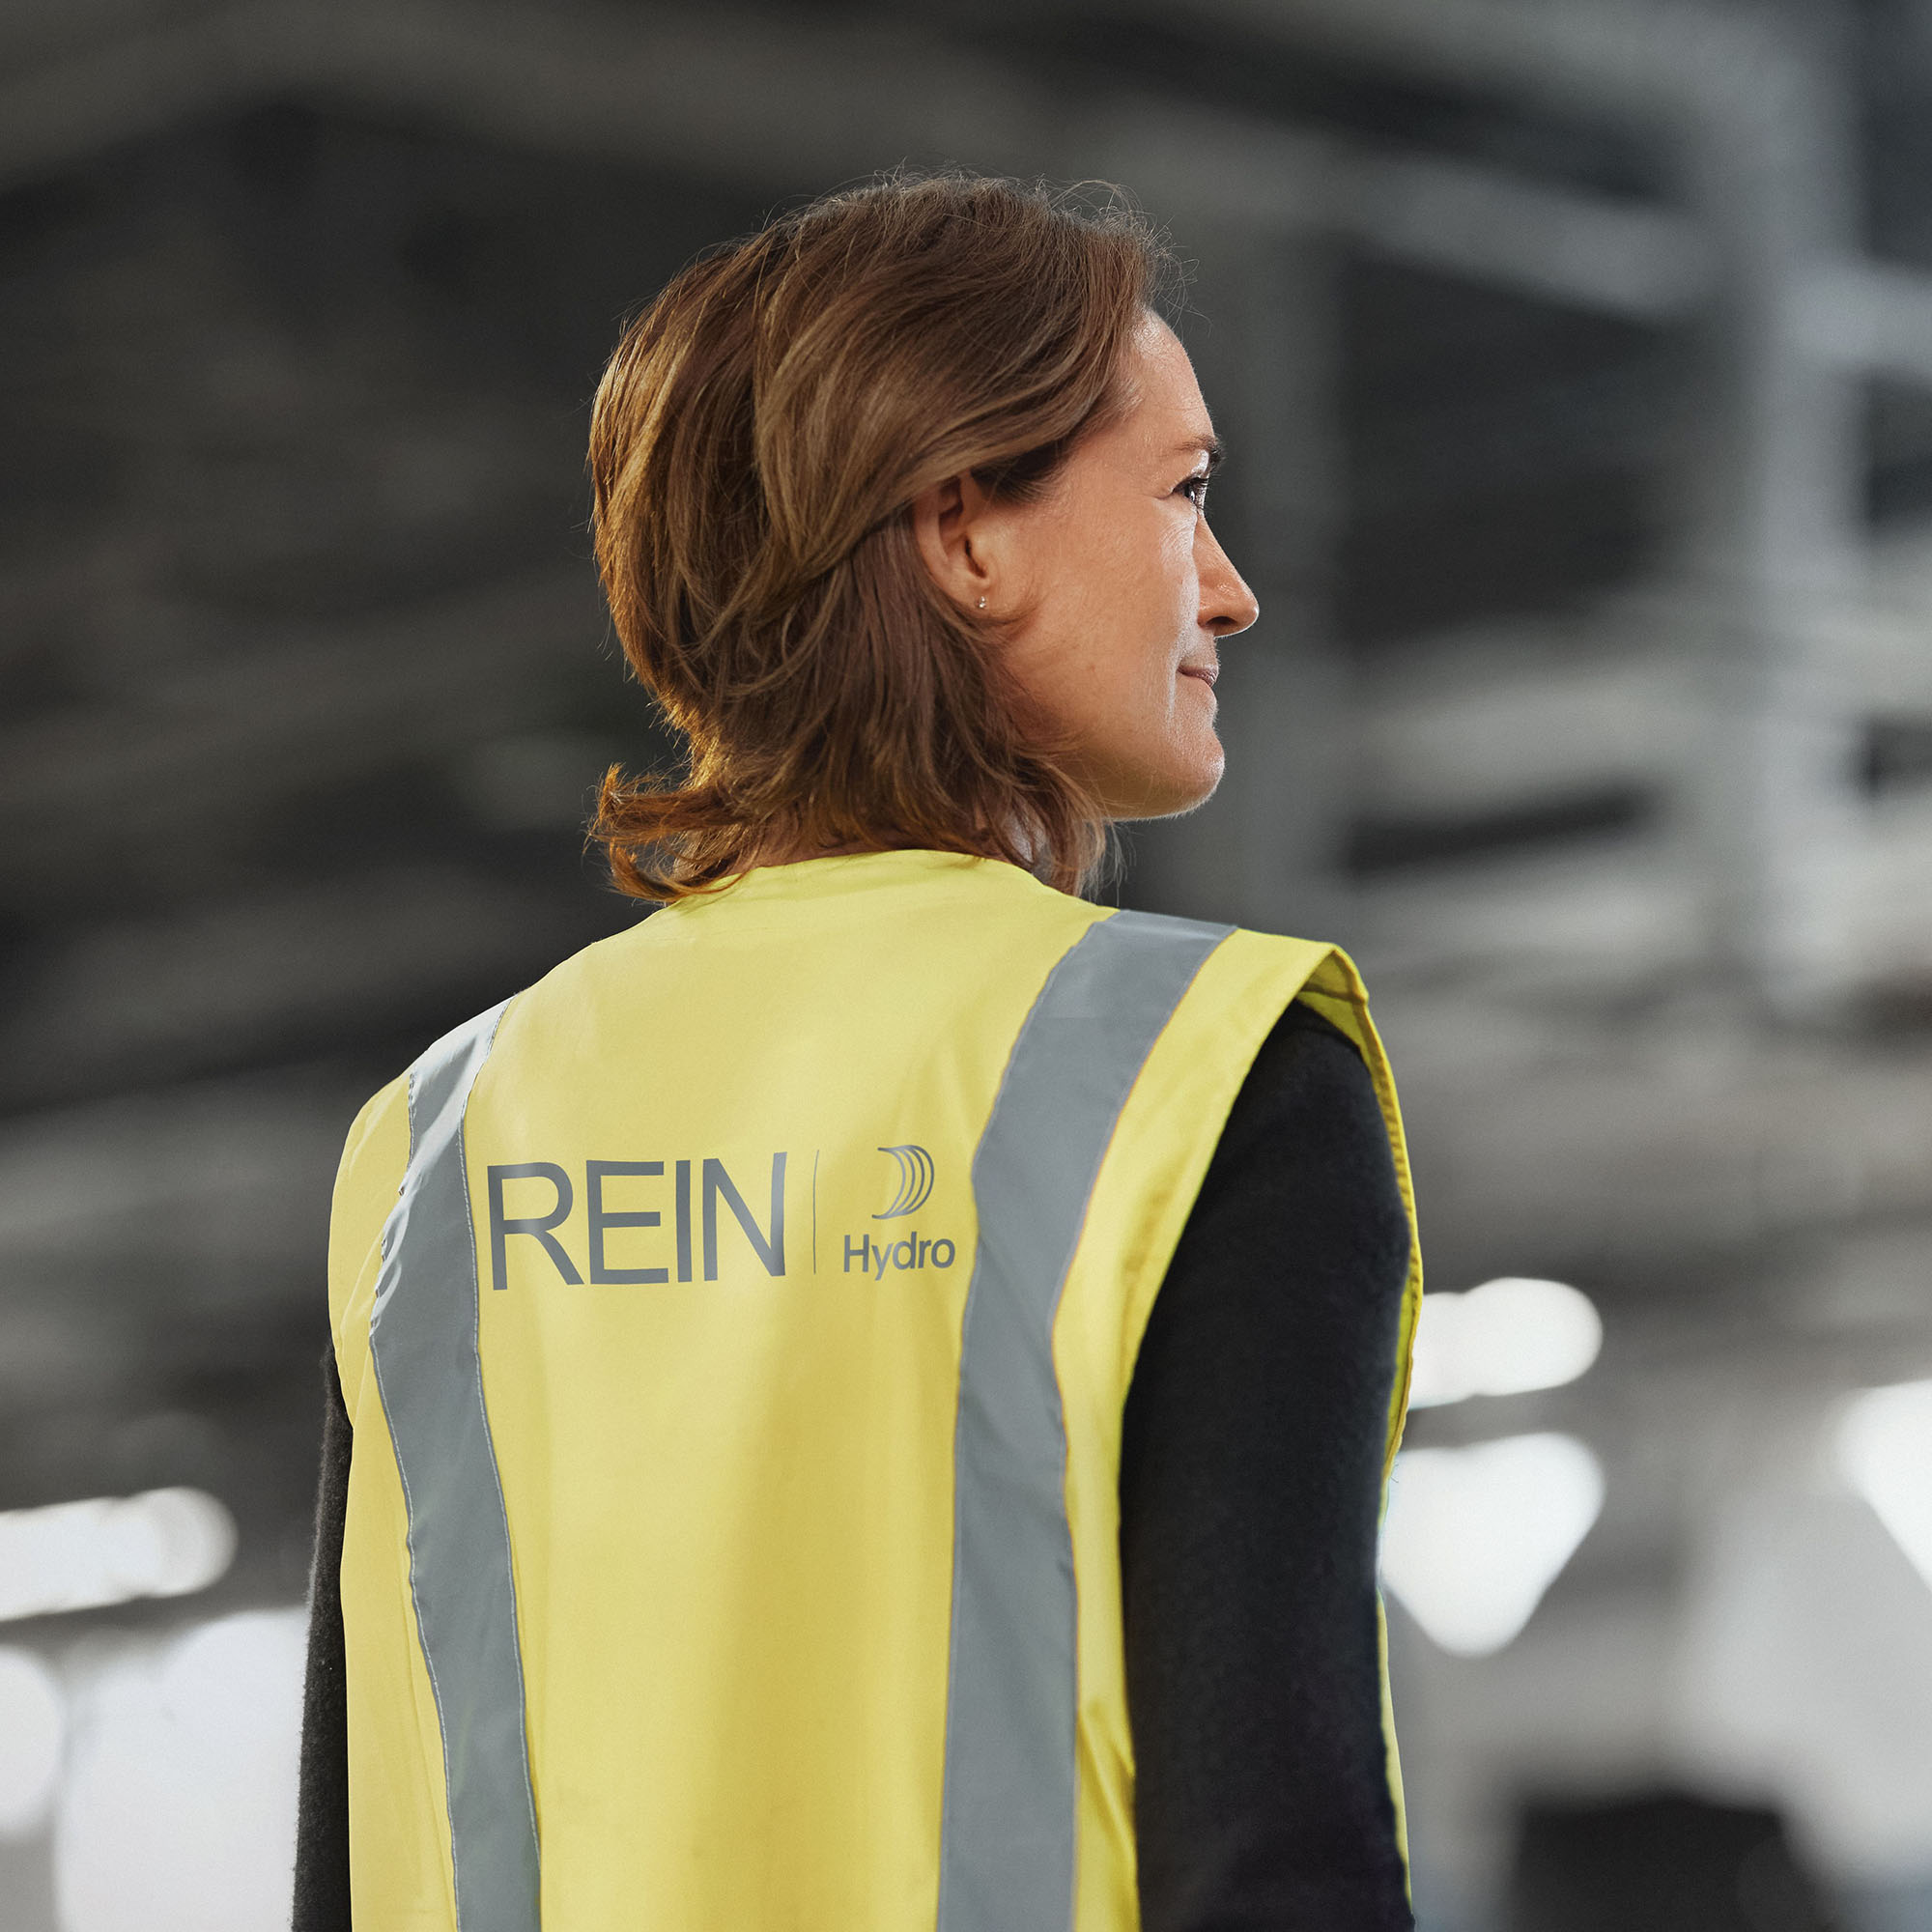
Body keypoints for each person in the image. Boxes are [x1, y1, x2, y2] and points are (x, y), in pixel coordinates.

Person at [295, 173, 1419, 1932]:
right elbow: (1272, 1851)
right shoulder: (1196, 1078)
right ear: (964, 532)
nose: (1234, 587)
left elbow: (349, 1858)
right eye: (1185, 492)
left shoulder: (431, 1149)